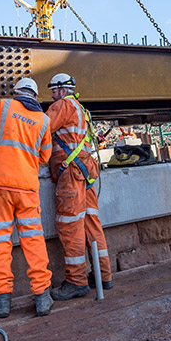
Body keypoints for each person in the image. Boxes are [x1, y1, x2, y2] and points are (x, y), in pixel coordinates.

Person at [0, 77, 54, 318]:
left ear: (17, 93)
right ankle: (42, 297)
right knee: (34, 241)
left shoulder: (4, 107)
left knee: (0, 242)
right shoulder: (44, 121)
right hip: (26, 188)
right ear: (35, 97)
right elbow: (45, 157)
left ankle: (3, 302)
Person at [45, 73, 113, 300]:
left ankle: (76, 281)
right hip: (86, 170)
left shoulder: (63, 105)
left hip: (71, 173)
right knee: (91, 222)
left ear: (63, 90)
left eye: (54, 91)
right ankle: (103, 275)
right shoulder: (82, 109)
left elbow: (40, 130)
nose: (52, 97)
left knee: (70, 224)